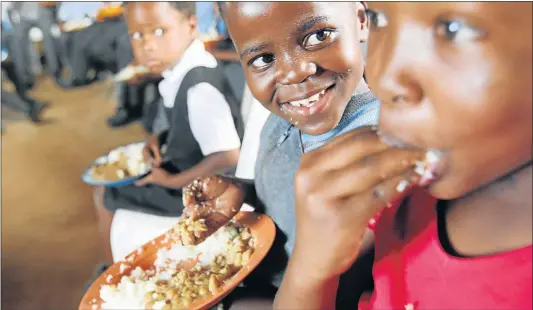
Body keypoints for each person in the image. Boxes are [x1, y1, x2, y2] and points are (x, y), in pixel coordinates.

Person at [274, 2, 532, 310]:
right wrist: (310, 271)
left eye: (453, 29)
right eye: (379, 17)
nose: (382, 78)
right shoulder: (394, 193)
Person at [180, 2, 379, 308]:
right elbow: (285, 190)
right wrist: (243, 188)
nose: (293, 72)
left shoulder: (376, 156)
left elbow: (338, 293)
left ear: (360, 19)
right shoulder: (282, 119)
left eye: (318, 36)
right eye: (263, 58)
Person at [94, 2, 244, 264]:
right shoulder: (181, 69)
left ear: (191, 26)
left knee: (105, 194)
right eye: (138, 35)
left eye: (160, 31)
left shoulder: (199, 88)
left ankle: (112, 269)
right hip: (186, 171)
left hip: (198, 192)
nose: (148, 45)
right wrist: (159, 137)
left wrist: (170, 182)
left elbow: (229, 156)